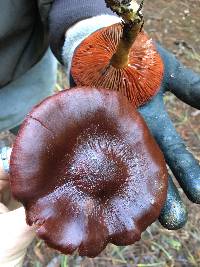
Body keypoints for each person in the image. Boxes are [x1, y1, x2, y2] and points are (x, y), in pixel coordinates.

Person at [0, 0, 200, 266]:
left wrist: (89, 26)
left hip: (22, 71)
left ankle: (16, 156)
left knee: (31, 128)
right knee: (33, 138)